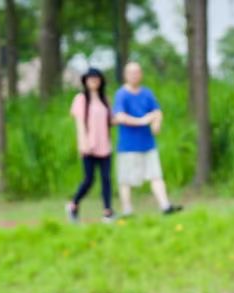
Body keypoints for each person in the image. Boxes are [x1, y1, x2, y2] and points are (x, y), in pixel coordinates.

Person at [112, 62, 180, 217]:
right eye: (131, 73)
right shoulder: (121, 94)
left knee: (156, 176)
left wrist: (156, 123)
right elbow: (120, 116)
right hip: (128, 146)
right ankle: (127, 210)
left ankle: (165, 206)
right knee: (126, 179)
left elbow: (157, 112)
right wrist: (142, 120)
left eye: (137, 72)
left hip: (148, 144)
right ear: (126, 75)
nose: (135, 75)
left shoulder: (147, 93)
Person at [66, 69, 115, 224]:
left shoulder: (105, 100)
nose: (94, 81)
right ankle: (74, 204)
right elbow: (80, 123)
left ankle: (107, 211)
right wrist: (83, 143)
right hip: (89, 145)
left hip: (104, 145)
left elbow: (111, 120)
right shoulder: (81, 99)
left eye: (96, 79)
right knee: (89, 179)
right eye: (91, 79)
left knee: (106, 178)